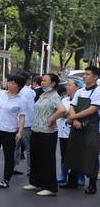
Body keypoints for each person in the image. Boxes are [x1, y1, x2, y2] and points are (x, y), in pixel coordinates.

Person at [24, 73, 67, 196]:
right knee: (36, 158)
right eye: (42, 80)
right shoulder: (43, 94)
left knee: (46, 160)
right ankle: (35, 182)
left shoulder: (54, 96)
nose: (42, 82)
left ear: (53, 83)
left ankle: (49, 187)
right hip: (36, 130)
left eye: (45, 80)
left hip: (47, 133)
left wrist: (52, 119)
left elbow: (62, 110)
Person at [63, 65, 100, 195]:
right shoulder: (80, 91)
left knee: (90, 154)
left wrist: (73, 117)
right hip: (77, 126)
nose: (84, 76)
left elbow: (92, 109)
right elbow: (72, 106)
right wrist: (75, 121)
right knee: (73, 152)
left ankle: (92, 185)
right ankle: (72, 181)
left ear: (95, 77)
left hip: (91, 127)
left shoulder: (98, 91)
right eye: (84, 73)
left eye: (87, 74)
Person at [57, 79, 83, 186]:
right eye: (67, 85)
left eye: (69, 85)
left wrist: (69, 115)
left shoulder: (81, 100)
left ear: (77, 87)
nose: (67, 87)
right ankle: (63, 175)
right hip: (63, 132)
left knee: (77, 155)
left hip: (76, 131)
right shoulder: (64, 100)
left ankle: (80, 176)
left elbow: (80, 113)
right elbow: (60, 112)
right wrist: (69, 114)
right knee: (64, 155)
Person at [13, 73, 35, 175]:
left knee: (15, 147)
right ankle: (30, 170)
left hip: (17, 123)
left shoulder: (16, 91)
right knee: (28, 148)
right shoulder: (29, 92)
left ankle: (12, 167)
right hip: (26, 123)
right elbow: (31, 109)